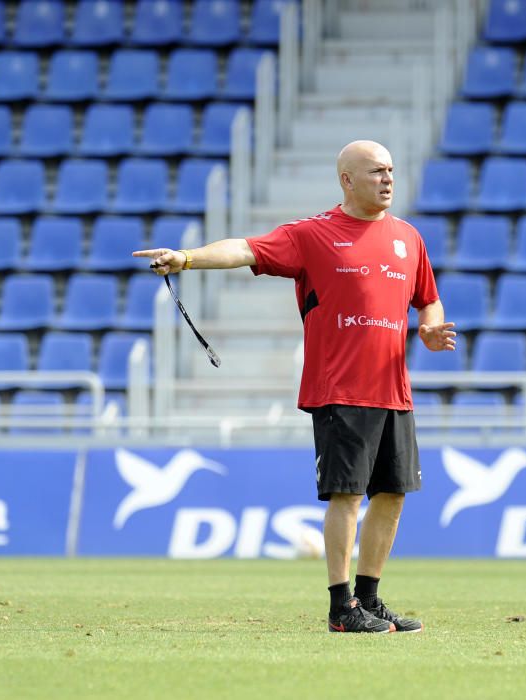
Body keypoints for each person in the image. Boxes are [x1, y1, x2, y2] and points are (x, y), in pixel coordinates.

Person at [133, 140, 455, 634]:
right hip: (340, 390)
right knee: (347, 496)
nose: (388, 179)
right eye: (375, 171)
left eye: (391, 170)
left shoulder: (408, 238)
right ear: (347, 180)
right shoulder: (313, 234)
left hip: (394, 389)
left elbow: (428, 301)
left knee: (392, 494)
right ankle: (341, 608)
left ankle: (369, 599)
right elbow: (246, 248)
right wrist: (187, 258)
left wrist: (432, 327)